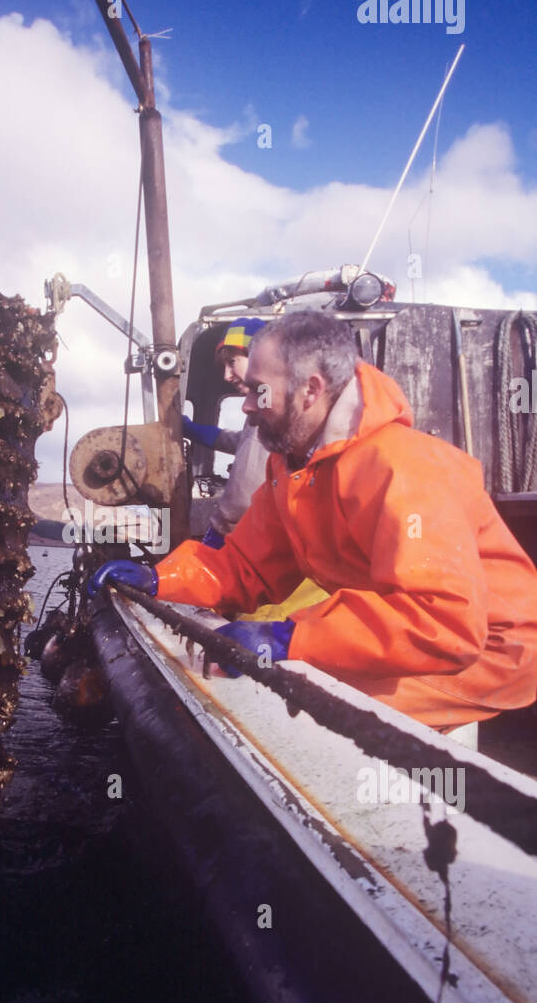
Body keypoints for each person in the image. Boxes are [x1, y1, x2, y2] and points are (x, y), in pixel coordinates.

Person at [89, 310, 537, 731]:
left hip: (490, 653)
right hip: (411, 637)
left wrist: (292, 639)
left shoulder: (405, 468)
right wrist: (157, 579)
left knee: (290, 709)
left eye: (257, 390)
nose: (246, 407)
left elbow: (446, 624)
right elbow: (244, 567)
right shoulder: (293, 469)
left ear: (311, 389)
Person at [182, 317, 270, 548]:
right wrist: (193, 430)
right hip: (243, 534)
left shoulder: (280, 408)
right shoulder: (261, 407)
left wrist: (219, 535)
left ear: (260, 355)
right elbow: (245, 443)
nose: (226, 376)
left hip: (255, 537)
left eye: (232, 362)